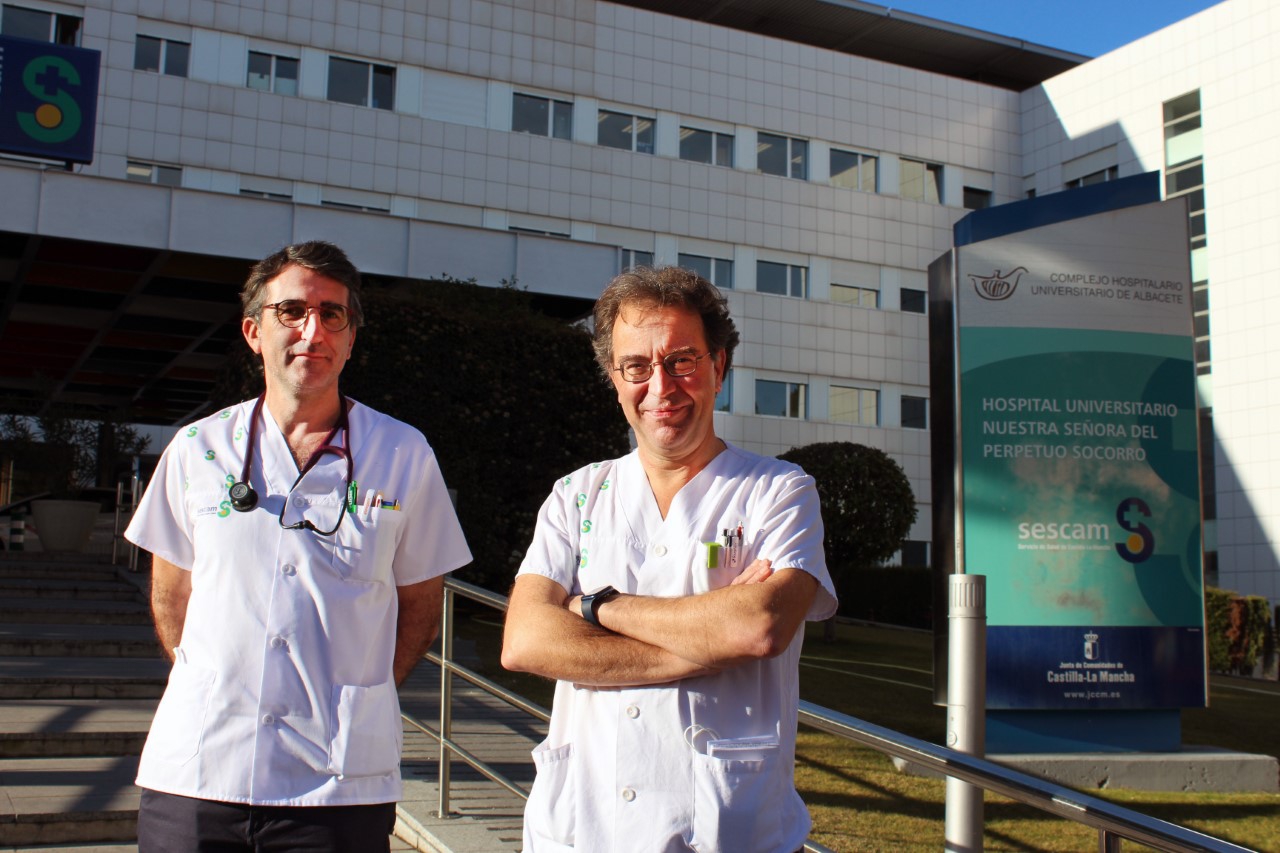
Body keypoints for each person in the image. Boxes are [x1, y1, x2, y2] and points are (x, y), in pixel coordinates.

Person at [125, 240, 472, 853]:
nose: (313, 331)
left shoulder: (402, 453)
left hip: (338, 788)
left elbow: (421, 605)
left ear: (351, 338)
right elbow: (170, 593)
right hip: (199, 774)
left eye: (332, 314)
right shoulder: (197, 449)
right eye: (291, 311)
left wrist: (361, 697)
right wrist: (212, 684)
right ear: (253, 331)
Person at [501, 266, 838, 852]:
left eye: (682, 360)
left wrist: (595, 606)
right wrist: (705, 645)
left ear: (719, 366)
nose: (661, 386)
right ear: (614, 378)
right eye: (636, 366)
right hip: (582, 831)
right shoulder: (575, 495)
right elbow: (525, 642)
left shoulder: (780, 492)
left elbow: (759, 627)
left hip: (725, 831)